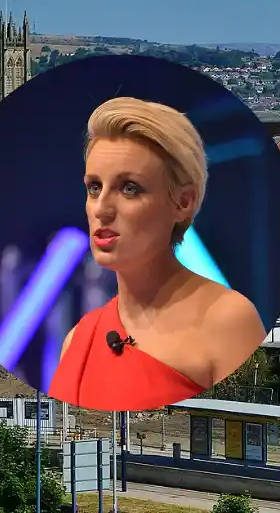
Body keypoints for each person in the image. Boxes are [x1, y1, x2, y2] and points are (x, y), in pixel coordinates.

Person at [47, 97, 266, 411]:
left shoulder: (228, 322)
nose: (102, 209)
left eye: (130, 188)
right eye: (95, 187)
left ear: (183, 202)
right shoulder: (79, 338)